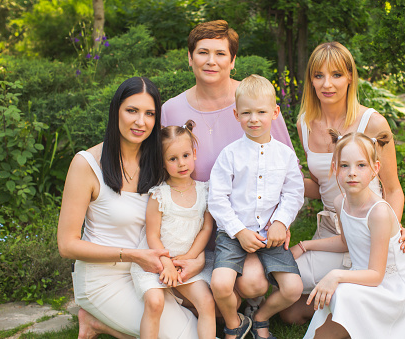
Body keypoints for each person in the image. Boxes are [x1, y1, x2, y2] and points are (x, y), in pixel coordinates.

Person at [161, 20, 294, 310]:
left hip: (246, 228)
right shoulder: (171, 109)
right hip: (191, 227)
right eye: (202, 52)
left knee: (252, 284)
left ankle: (242, 307)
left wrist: (281, 220)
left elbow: (286, 171)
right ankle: (226, 313)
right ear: (189, 58)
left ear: (233, 61)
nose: (211, 61)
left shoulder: (257, 104)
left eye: (221, 53)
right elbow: (158, 170)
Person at [280, 41, 405, 325]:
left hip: (367, 231)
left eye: (337, 74)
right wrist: (280, 179)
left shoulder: (372, 122)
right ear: (310, 80)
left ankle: (350, 303)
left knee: (317, 299)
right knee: (287, 304)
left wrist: (392, 230)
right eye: (319, 75)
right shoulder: (305, 122)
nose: (327, 84)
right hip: (332, 230)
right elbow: (321, 186)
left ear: (350, 76)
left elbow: (393, 189)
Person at [57, 77, 198, 339]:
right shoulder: (86, 164)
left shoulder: (159, 162)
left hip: (147, 274)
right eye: (132, 110)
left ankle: (96, 323)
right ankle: (94, 314)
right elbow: (67, 245)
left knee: (199, 333)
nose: (140, 121)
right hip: (103, 278)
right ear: (116, 111)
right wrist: (133, 255)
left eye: (149, 113)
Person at [303, 131, 405, 339]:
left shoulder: (379, 212)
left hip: (389, 289)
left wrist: (336, 275)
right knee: (309, 324)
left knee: (338, 292)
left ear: (375, 169)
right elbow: (345, 242)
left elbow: (376, 275)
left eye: (361, 165)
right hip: (362, 276)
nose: (352, 172)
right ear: (335, 169)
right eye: (345, 165)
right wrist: (306, 245)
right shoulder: (340, 202)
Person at [208, 75, 304, 339]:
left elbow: (294, 192)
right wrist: (238, 231)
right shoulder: (230, 154)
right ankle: (234, 324)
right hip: (233, 234)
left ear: (274, 113)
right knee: (220, 284)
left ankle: (260, 317)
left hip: (270, 234)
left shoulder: (284, 155)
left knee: (293, 288)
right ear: (236, 114)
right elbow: (217, 198)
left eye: (261, 112)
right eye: (247, 113)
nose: (254, 119)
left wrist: (281, 222)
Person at [130, 120, 215, 339]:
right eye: (173, 159)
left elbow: (206, 228)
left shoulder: (204, 191)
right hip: (156, 262)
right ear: (162, 163)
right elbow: (152, 235)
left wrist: (190, 256)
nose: (181, 163)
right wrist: (166, 264)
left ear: (194, 153)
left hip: (186, 262)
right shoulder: (159, 194)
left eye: (185, 156)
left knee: (206, 302)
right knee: (155, 303)